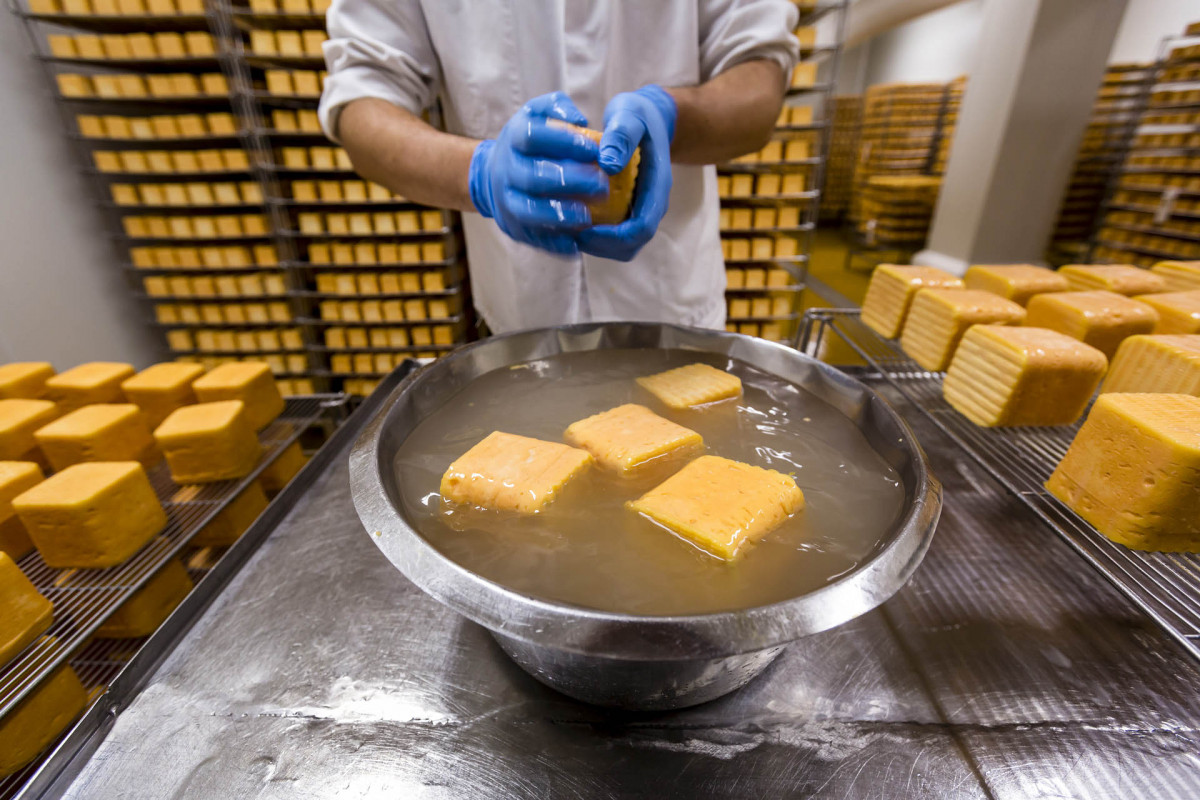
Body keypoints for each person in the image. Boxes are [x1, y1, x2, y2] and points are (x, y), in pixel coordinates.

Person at [319, 2, 800, 334]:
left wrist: (674, 116)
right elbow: (361, 101)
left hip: (674, 302)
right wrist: (480, 172)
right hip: (518, 310)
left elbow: (758, 74)